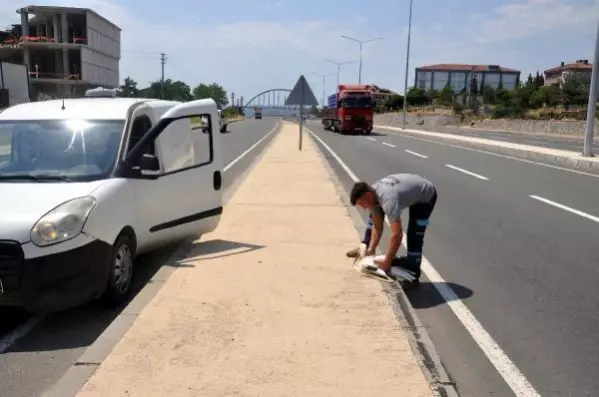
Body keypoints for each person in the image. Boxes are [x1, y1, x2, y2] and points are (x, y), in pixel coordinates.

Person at [346, 173, 438, 288]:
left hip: (426, 195)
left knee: (414, 235)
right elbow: (377, 226)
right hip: (411, 189)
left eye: (362, 204)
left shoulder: (388, 199)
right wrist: (371, 250)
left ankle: (414, 276)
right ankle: (406, 262)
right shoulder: (373, 196)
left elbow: (397, 234)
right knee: (375, 218)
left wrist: (387, 262)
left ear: (368, 195)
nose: (364, 208)